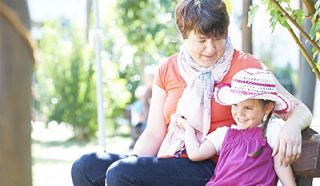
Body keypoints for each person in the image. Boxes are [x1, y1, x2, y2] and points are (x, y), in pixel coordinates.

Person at [71, 0, 312, 185]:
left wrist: (291, 126)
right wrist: (135, 160)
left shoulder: (246, 66)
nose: (212, 48)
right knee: (86, 167)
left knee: (121, 173)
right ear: (183, 35)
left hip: (215, 165)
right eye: (202, 40)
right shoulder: (168, 68)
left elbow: (299, 109)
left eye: (219, 38)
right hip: (170, 157)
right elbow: (155, 132)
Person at [178, 68, 296, 186]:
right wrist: (188, 128)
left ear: (268, 108)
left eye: (248, 108)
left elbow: (281, 164)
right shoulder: (224, 134)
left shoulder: (271, 130)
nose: (239, 113)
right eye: (235, 105)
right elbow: (195, 154)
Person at [129, 85, 148, 150]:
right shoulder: (139, 104)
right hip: (138, 124)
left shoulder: (140, 103)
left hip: (139, 123)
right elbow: (140, 116)